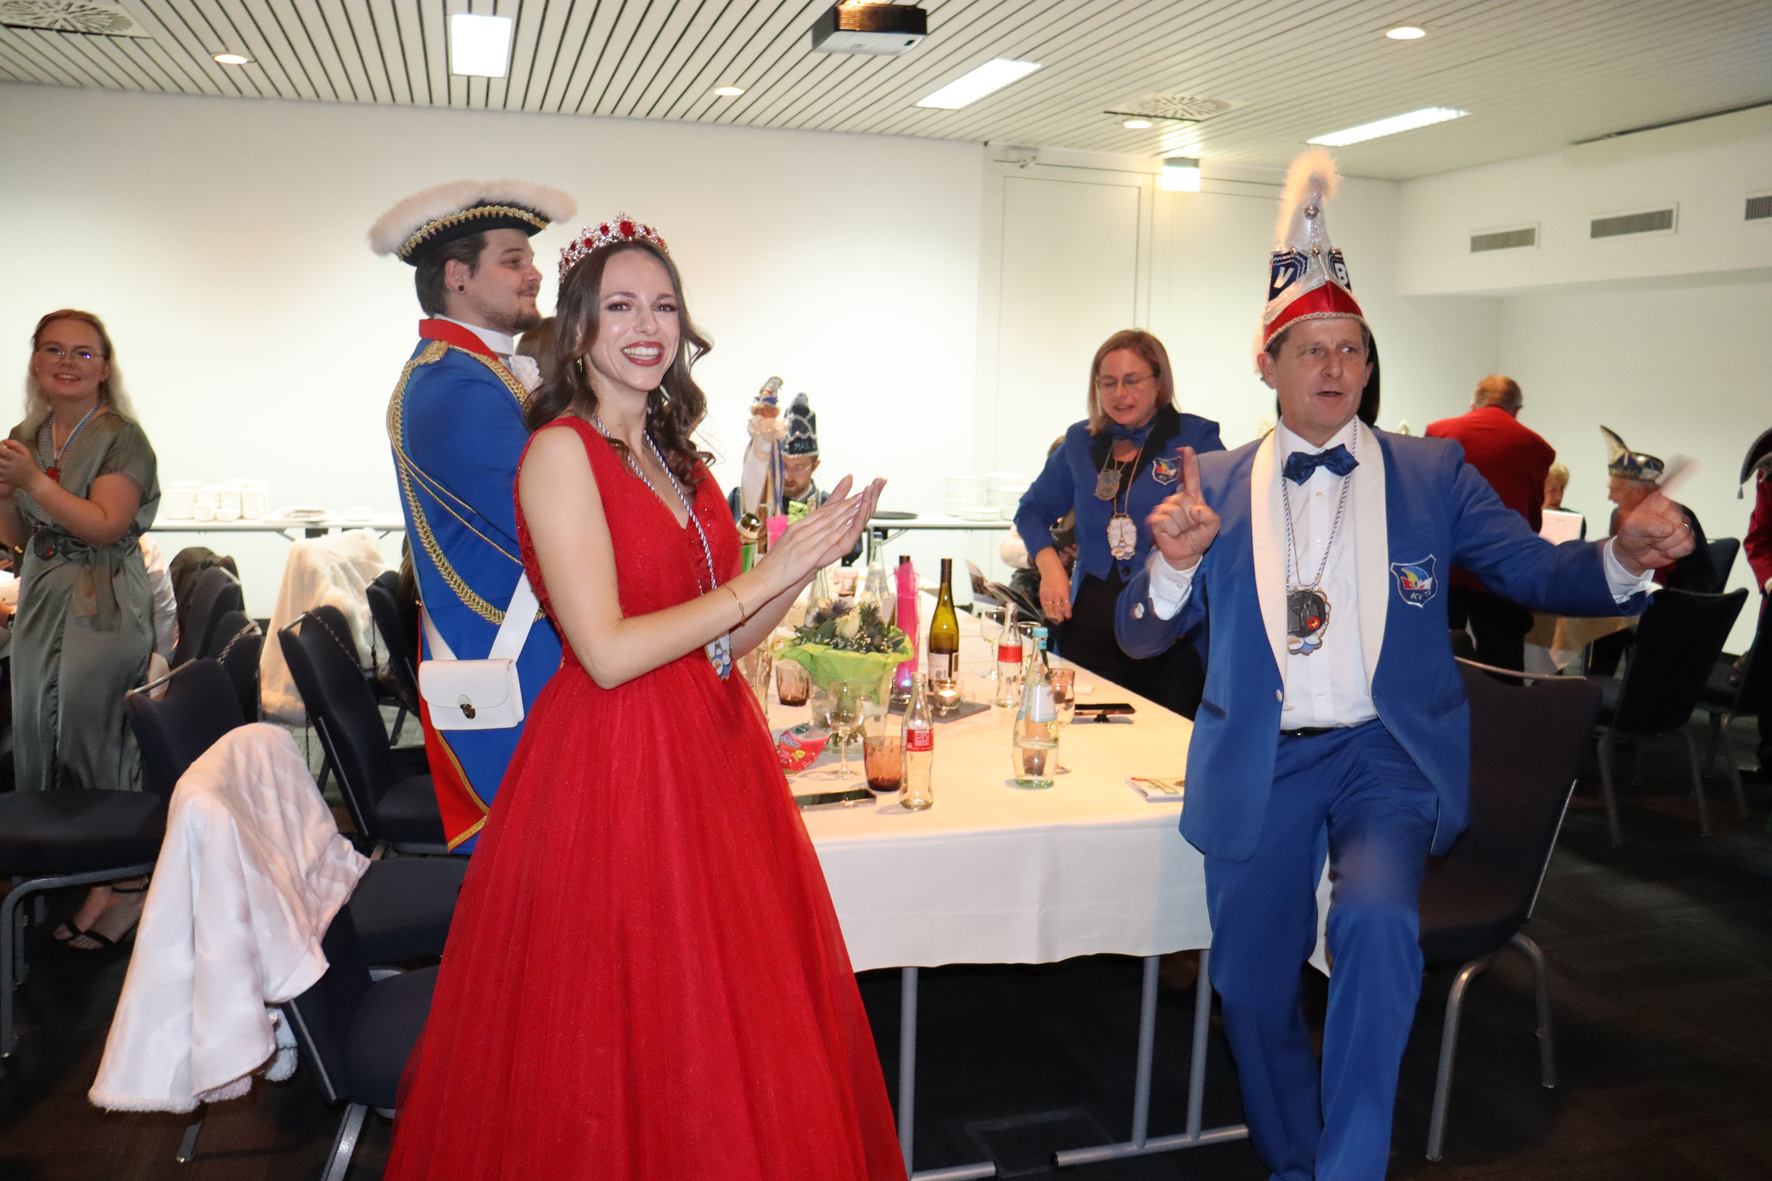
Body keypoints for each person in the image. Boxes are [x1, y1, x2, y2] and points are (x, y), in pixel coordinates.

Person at [1114, 150, 1691, 1181]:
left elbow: (1530, 566)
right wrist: (1172, 564)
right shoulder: (1211, 484)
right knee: (1250, 987)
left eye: (1350, 348)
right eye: (1310, 349)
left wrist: (1622, 555)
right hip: (1260, 758)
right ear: (1267, 365)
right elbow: (1140, 636)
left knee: (1377, 925)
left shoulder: (1430, 471)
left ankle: (1349, 1168)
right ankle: (1297, 1158)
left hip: (1383, 752)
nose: (1334, 367)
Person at [384, 216, 902, 1180]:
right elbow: (608, 651)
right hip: (616, 763)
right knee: (626, 1031)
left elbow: (724, 639)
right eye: (620, 305)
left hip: (712, 749)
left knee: (725, 1018)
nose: (646, 325)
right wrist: (766, 570)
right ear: (579, 326)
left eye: (663, 306)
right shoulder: (558, 453)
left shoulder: (677, 455)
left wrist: (804, 563)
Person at [373, 179, 575, 852]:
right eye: (513, 261)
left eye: (530, 259)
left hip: (528, 653)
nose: (534, 273)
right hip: (514, 664)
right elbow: (557, 516)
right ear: (457, 275)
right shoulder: (454, 384)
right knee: (546, 866)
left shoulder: (477, 373)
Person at [0, 310, 161, 950]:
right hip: (42, 594)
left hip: (104, 599)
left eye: (83, 353)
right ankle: (61, 874)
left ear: (105, 367)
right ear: (35, 361)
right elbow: (18, 537)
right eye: (53, 350)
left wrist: (30, 482)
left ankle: (125, 884)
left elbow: (104, 524)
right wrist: (6, 494)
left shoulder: (123, 438)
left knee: (97, 739)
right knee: (39, 732)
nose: (67, 362)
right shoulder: (27, 436)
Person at [1014, 328, 1223, 718]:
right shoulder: (1080, 442)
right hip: (1086, 630)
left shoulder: (1194, 438)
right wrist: (1050, 567)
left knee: (1162, 745)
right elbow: (1031, 511)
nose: (1119, 394)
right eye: (1108, 383)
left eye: (1132, 380)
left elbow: (1225, 522)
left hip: (1166, 633)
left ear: (1158, 382)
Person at [1426, 375, 1557, 670]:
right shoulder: (1536, 446)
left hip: (1446, 564)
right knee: (1502, 663)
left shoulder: (1439, 431)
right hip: (1502, 568)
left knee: (1437, 654)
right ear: (1516, 410)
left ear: (1473, 404)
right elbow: (1532, 517)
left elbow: (1426, 500)